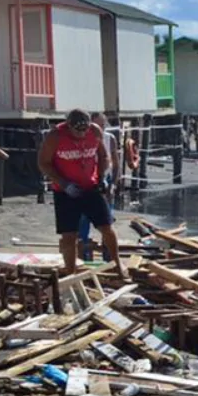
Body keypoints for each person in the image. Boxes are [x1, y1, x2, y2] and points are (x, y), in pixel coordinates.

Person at [37, 108, 125, 277]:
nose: (82, 135)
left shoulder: (95, 131)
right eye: (78, 131)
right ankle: (70, 271)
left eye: (85, 130)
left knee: (106, 227)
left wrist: (101, 177)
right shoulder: (55, 136)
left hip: (90, 187)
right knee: (69, 234)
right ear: (69, 126)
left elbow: (103, 156)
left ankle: (117, 264)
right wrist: (63, 183)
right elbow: (43, 163)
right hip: (66, 191)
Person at [77, 112, 119, 260]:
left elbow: (115, 163)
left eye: (102, 125)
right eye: (97, 125)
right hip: (87, 180)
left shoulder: (110, 139)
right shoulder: (82, 139)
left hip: (104, 180)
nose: (100, 128)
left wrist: (113, 184)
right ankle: (84, 257)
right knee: (83, 220)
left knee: (106, 222)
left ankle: (109, 257)